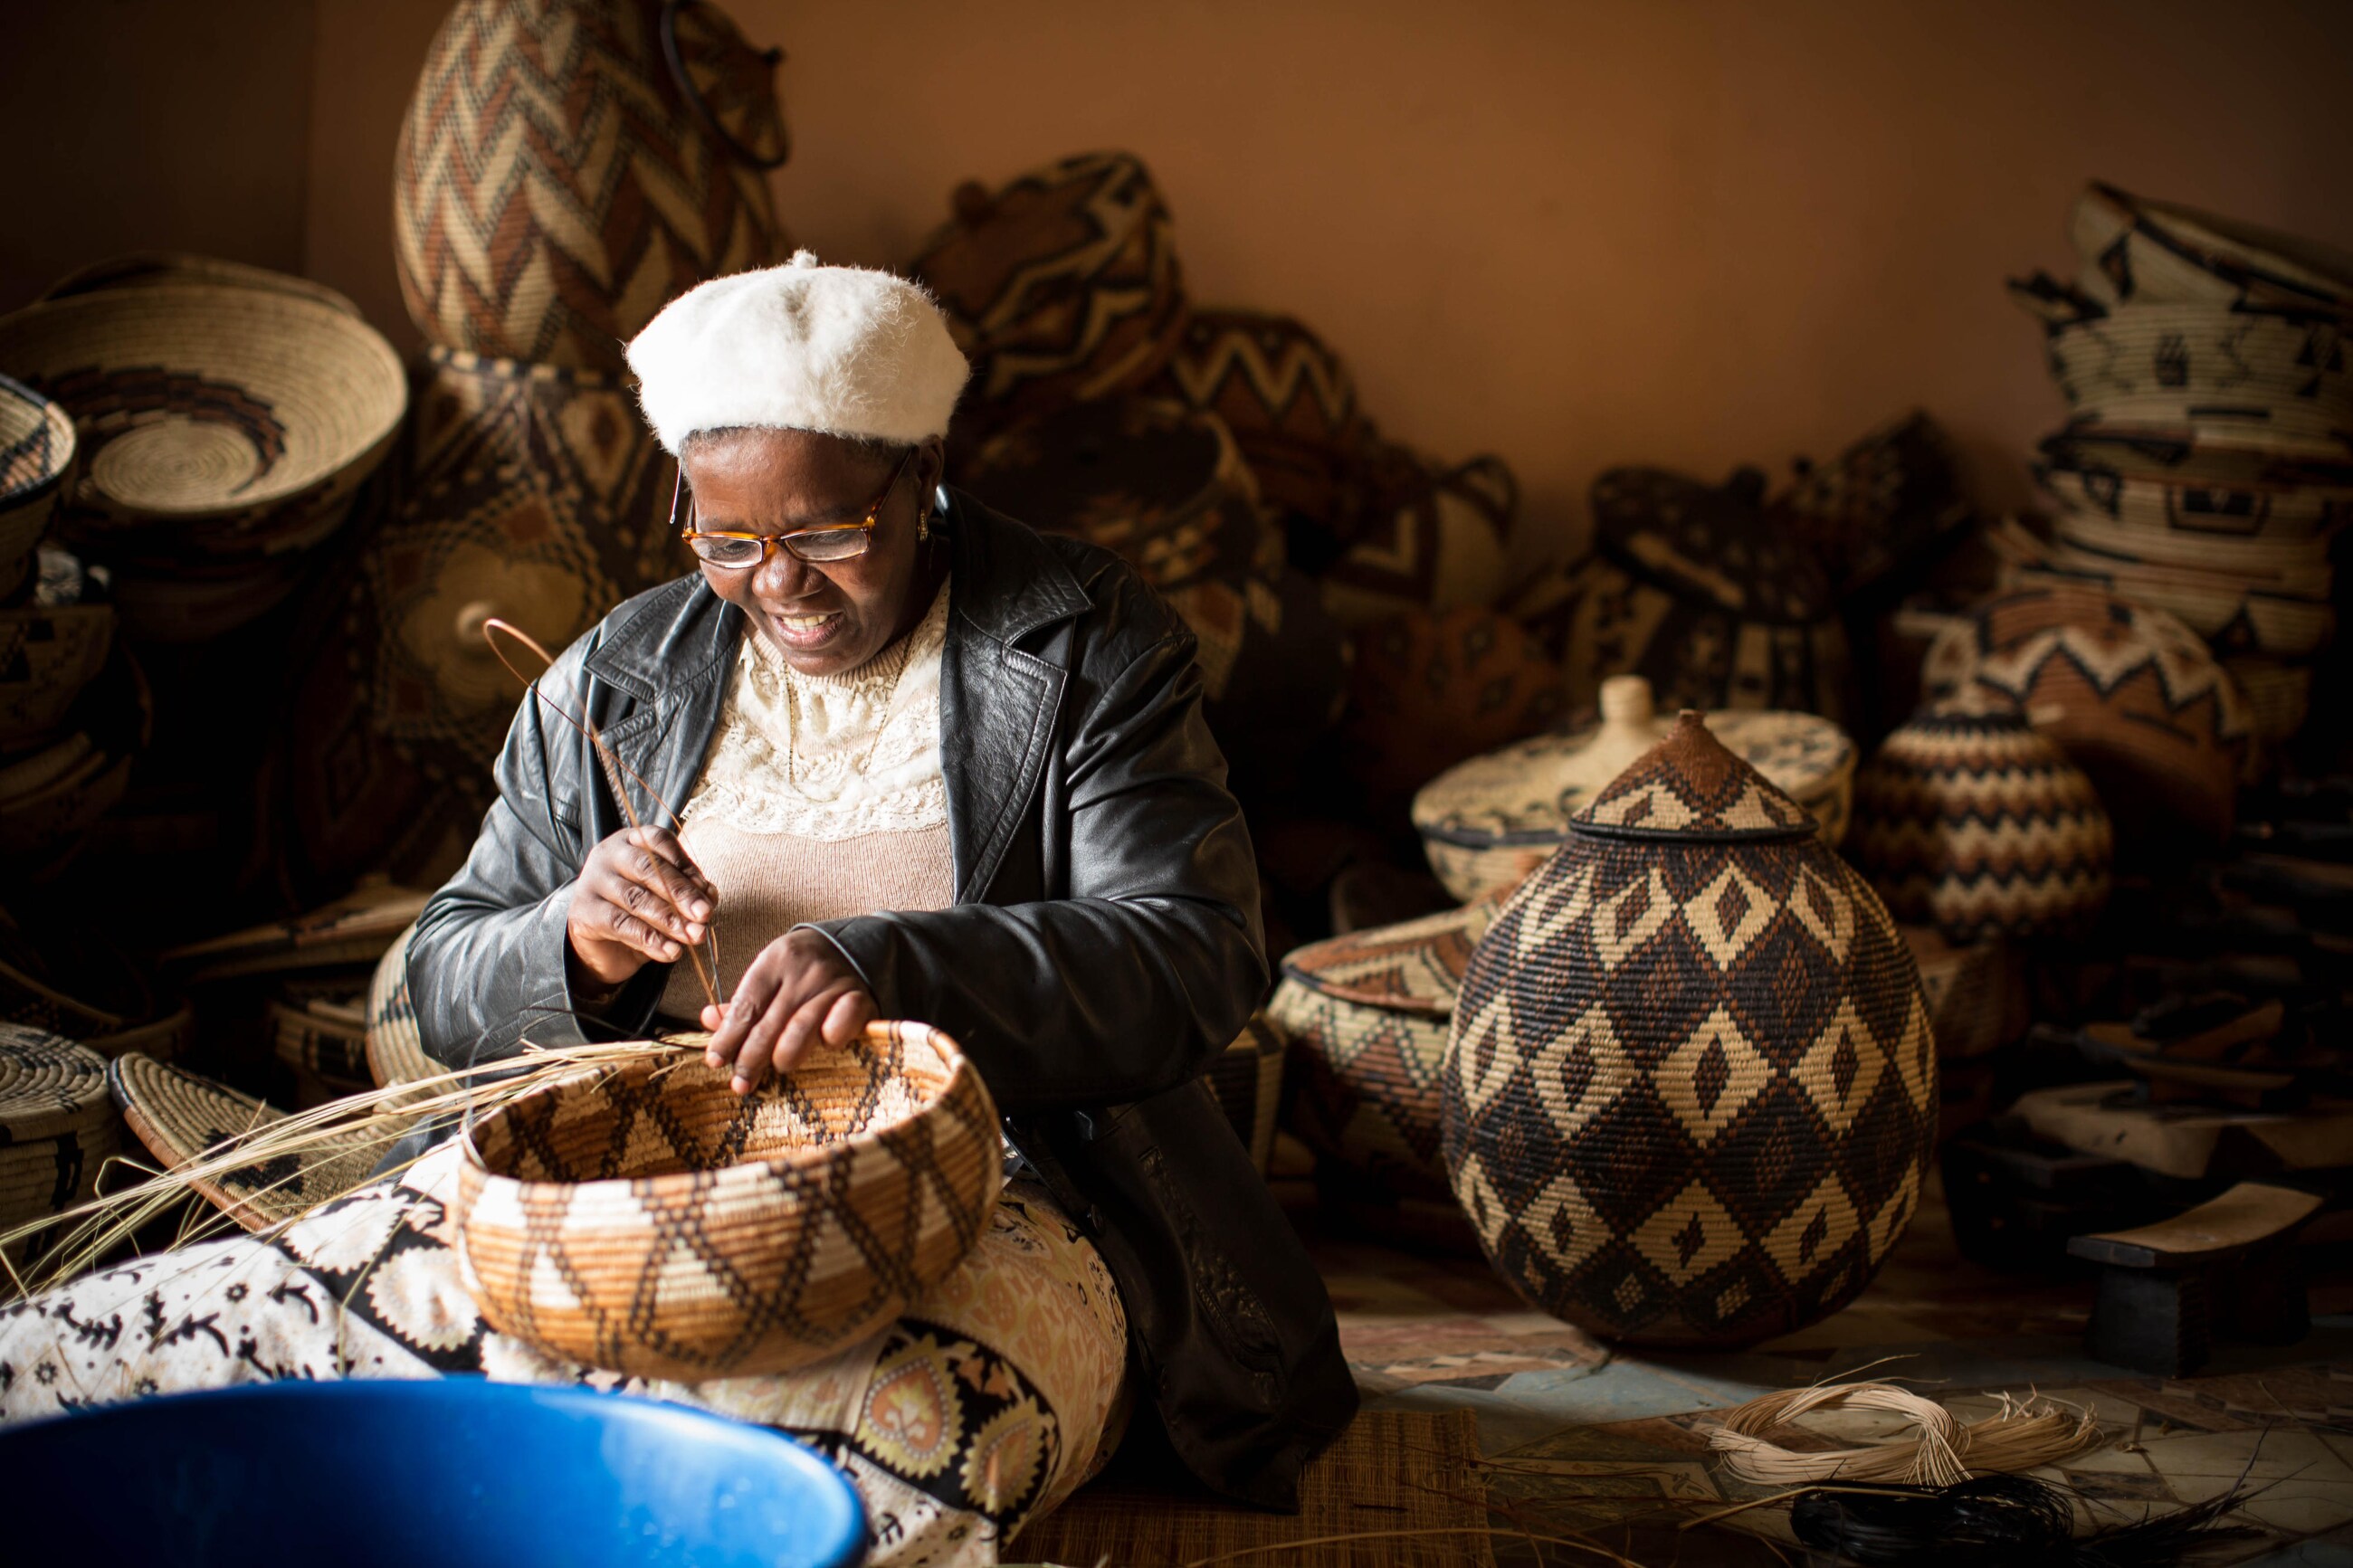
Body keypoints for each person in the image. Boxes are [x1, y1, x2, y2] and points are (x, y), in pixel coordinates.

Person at [405, 252, 1357, 1509]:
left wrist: (895, 963)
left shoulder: (1083, 639)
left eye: (825, 531)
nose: (778, 583)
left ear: (922, 474)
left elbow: (1195, 950)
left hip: (1006, 1184)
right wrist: (573, 942)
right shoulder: (614, 676)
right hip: (647, 1167)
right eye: (726, 538)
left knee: (853, 1441)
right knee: (357, 1341)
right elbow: (442, 969)